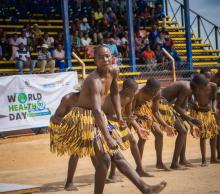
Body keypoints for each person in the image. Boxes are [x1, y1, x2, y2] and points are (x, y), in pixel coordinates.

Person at [50, 45, 166, 194]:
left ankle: (145, 188)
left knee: (115, 155)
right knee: (103, 157)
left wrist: (119, 116)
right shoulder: (93, 81)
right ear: (95, 60)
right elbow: (97, 110)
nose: (105, 59)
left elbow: (115, 94)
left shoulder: (114, 70)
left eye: (107, 56)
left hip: (99, 117)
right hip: (84, 119)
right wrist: (107, 136)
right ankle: (70, 181)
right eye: (100, 57)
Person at [102, 79, 153, 181]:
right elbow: (108, 116)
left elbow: (129, 114)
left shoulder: (130, 96)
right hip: (105, 122)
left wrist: (138, 127)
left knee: (133, 141)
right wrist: (124, 120)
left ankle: (139, 169)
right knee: (115, 145)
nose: (135, 93)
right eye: (133, 90)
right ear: (126, 89)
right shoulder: (114, 97)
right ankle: (112, 174)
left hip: (117, 121)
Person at [160, 75, 209, 170]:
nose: (200, 91)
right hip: (160, 105)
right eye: (201, 88)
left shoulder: (188, 88)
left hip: (166, 105)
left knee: (184, 129)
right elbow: (177, 107)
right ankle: (174, 163)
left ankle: (182, 160)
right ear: (197, 85)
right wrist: (191, 119)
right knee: (182, 131)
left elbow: (181, 109)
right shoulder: (187, 88)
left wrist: (191, 124)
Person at [133, 78, 176, 171]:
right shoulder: (137, 93)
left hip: (146, 112)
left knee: (159, 134)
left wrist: (166, 125)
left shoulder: (157, 93)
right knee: (142, 138)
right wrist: (139, 115)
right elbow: (129, 112)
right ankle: (139, 167)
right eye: (152, 91)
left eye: (156, 91)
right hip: (134, 113)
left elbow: (155, 112)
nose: (154, 93)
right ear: (146, 87)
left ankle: (159, 163)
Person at [193, 68, 219, 166]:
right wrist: (195, 103)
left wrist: (213, 108)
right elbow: (193, 99)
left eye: (209, 77)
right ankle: (204, 160)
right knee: (203, 135)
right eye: (205, 77)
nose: (208, 79)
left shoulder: (213, 86)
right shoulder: (196, 87)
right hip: (199, 113)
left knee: (214, 133)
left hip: (209, 113)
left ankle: (213, 158)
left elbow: (213, 100)